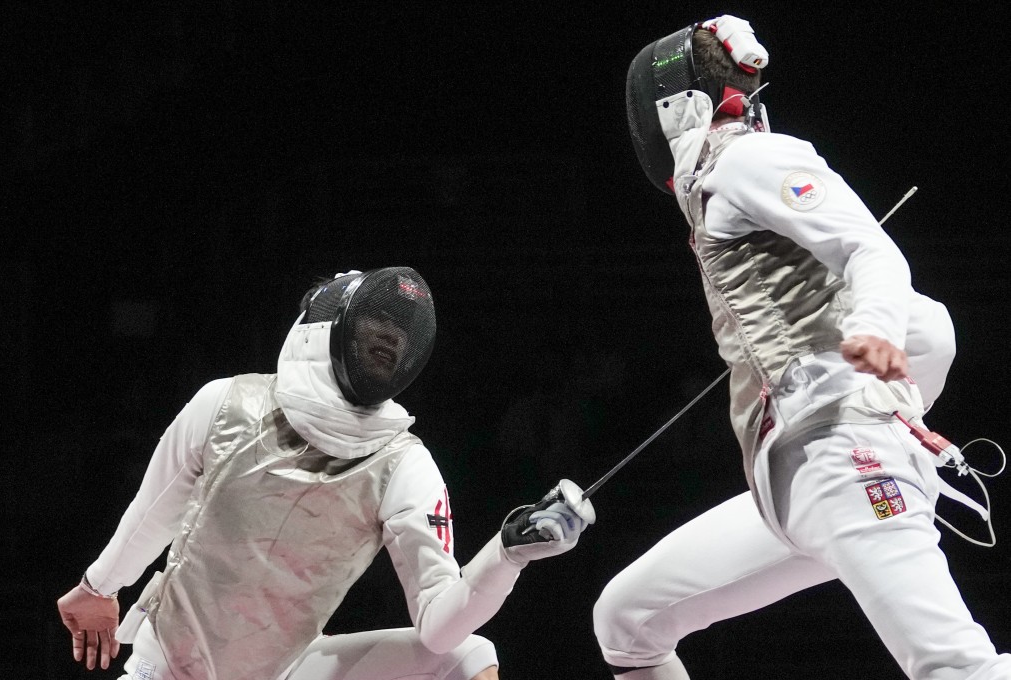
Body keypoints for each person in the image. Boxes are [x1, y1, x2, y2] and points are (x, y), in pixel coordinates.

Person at [593, 16, 1011, 680]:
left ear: (671, 108)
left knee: (957, 671)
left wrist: (872, 338)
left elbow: (869, 251)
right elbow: (932, 332)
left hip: (845, 463)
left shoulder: (749, 159)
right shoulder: (715, 184)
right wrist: (899, 393)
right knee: (626, 619)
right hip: (790, 487)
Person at [58, 266, 596, 680]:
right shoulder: (227, 404)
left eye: (395, 339)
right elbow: (156, 510)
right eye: (375, 328)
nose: (387, 342)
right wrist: (100, 585)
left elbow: (439, 627)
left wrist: (507, 555)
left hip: (284, 671)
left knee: (469, 655)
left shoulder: (403, 463)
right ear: (325, 328)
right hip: (168, 670)